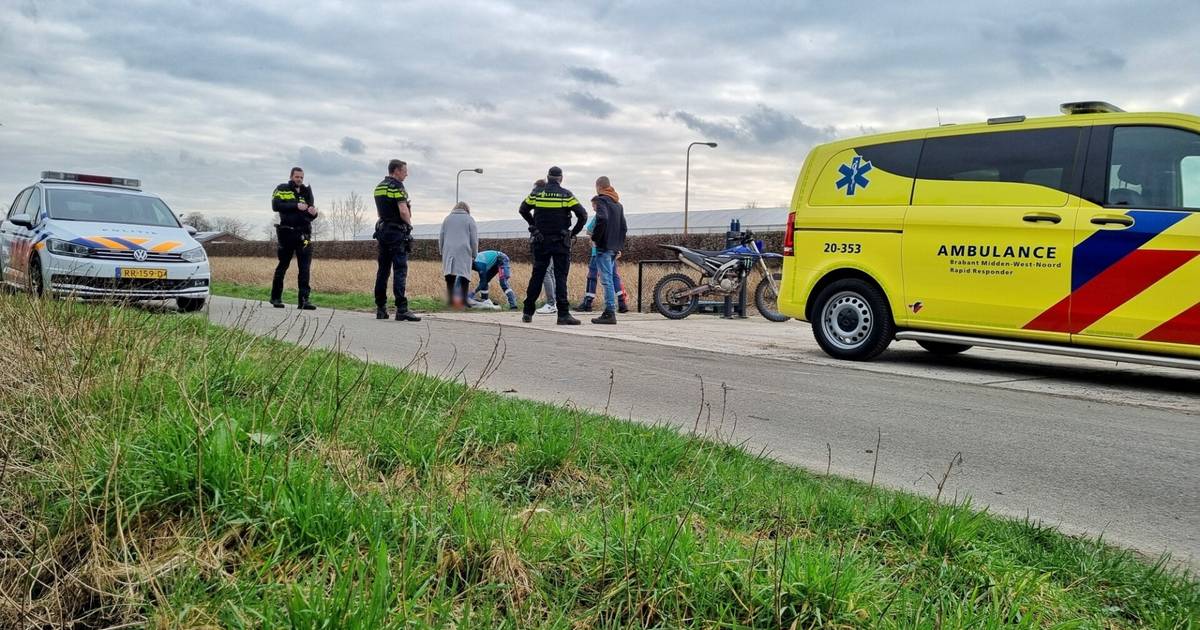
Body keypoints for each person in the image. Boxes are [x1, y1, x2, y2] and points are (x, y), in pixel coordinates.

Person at [519, 166, 587, 324]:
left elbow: (523, 209)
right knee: (560, 277)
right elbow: (582, 215)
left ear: (547, 177)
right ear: (561, 178)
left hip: (540, 241)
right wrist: (572, 233)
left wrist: (534, 226)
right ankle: (563, 314)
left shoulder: (537, 193)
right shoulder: (566, 195)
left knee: (537, 275)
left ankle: (527, 312)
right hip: (560, 242)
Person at [372, 159, 421, 321]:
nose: (406, 174)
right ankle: (401, 309)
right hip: (396, 232)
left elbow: (380, 213)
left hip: (383, 231)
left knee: (383, 270)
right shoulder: (398, 186)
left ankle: (381, 308)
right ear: (396, 171)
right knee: (400, 270)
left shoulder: (379, 187)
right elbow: (403, 211)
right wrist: (409, 224)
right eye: (404, 171)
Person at [269, 167, 318, 309]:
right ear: (291, 176)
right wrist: (295, 205)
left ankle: (304, 301)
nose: (300, 180)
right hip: (287, 233)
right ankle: (276, 297)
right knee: (283, 265)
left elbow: (310, 213)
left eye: (301, 177)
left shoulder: (306, 191)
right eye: (297, 177)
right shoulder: (282, 189)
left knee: (305, 268)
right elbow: (275, 205)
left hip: (304, 235)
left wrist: (314, 213)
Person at [589, 176, 627, 324]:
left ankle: (610, 312)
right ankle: (610, 310)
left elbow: (603, 219)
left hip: (604, 247)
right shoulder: (618, 205)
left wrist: (596, 238)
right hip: (613, 247)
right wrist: (619, 246)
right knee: (610, 278)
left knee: (606, 280)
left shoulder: (601, 200)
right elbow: (623, 227)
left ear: (599, 187)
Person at [575, 216, 629, 314]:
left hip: (598, 252)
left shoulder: (599, 216)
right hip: (612, 251)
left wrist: (594, 240)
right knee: (614, 276)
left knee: (592, 277)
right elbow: (622, 231)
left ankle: (588, 303)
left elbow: (589, 230)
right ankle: (622, 303)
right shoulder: (616, 215)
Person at [439, 201, 477, 309]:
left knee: (449, 274)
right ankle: (464, 300)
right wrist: (474, 253)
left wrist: (441, 250)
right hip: (464, 249)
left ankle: (450, 300)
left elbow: (441, 236)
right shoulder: (469, 219)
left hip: (448, 248)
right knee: (465, 274)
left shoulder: (447, 219)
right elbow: (474, 239)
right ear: (467, 209)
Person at [531, 179, 558, 316]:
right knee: (551, 272)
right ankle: (555, 302)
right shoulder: (554, 200)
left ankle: (551, 303)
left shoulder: (540, 203)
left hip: (544, 242)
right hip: (555, 242)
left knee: (546, 272)